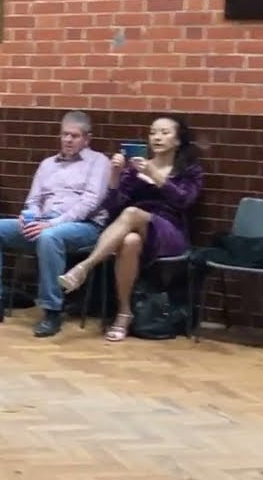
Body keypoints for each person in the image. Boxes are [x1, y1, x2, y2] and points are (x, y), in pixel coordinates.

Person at [0, 111, 110, 337]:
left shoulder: (99, 162)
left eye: (75, 136)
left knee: (50, 237)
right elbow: (34, 200)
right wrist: (30, 216)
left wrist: (53, 224)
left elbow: (90, 203)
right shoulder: (48, 164)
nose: (68, 140)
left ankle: (52, 311)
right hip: (44, 222)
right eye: (64, 135)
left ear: (87, 139)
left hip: (84, 226)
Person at [56, 115, 204, 342]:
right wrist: (115, 175)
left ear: (178, 140)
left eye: (164, 133)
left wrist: (156, 176)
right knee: (129, 241)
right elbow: (113, 207)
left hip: (170, 231)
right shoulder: (135, 168)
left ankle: (84, 267)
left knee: (132, 213)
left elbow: (185, 201)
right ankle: (124, 313)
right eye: (153, 132)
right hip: (132, 229)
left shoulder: (190, 171)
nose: (157, 137)